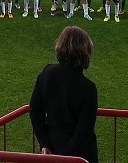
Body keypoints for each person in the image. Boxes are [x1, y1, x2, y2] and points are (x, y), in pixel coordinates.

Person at [30, 26, 98, 162]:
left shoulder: (47, 73)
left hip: (52, 148)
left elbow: (35, 110)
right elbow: (83, 133)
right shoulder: (88, 88)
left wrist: (45, 144)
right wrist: (62, 155)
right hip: (80, 155)